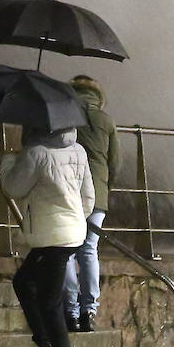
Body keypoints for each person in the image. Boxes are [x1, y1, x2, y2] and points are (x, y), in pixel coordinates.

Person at [1, 124, 94, 347]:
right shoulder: (78, 150)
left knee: (50, 301)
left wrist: (8, 160)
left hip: (52, 236)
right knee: (24, 281)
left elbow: (14, 187)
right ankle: (42, 343)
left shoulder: (37, 152)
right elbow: (88, 196)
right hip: (69, 231)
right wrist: (75, 221)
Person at [63, 75, 119, 333]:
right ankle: (89, 311)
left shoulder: (66, 116)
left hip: (70, 191)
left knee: (67, 251)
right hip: (98, 194)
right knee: (89, 249)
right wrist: (106, 186)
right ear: (98, 97)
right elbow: (114, 164)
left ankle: (71, 311)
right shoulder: (106, 121)